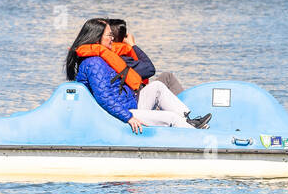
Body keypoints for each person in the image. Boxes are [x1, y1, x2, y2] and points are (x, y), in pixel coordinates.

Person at [65, 18, 210, 132]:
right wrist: (128, 117)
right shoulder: (94, 63)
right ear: (97, 38)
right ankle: (195, 136)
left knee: (157, 86)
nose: (113, 39)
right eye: (109, 35)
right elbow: (104, 98)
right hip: (120, 113)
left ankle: (187, 121)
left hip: (128, 104)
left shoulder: (102, 58)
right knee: (170, 118)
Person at [106, 18, 186, 95]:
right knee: (168, 77)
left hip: (129, 93)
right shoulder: (121, 59)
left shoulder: (107, 54)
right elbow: (150, 70)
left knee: (165, 77)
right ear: (124, 38)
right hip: (135, 99)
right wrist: (133, 45)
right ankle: (186, 106)